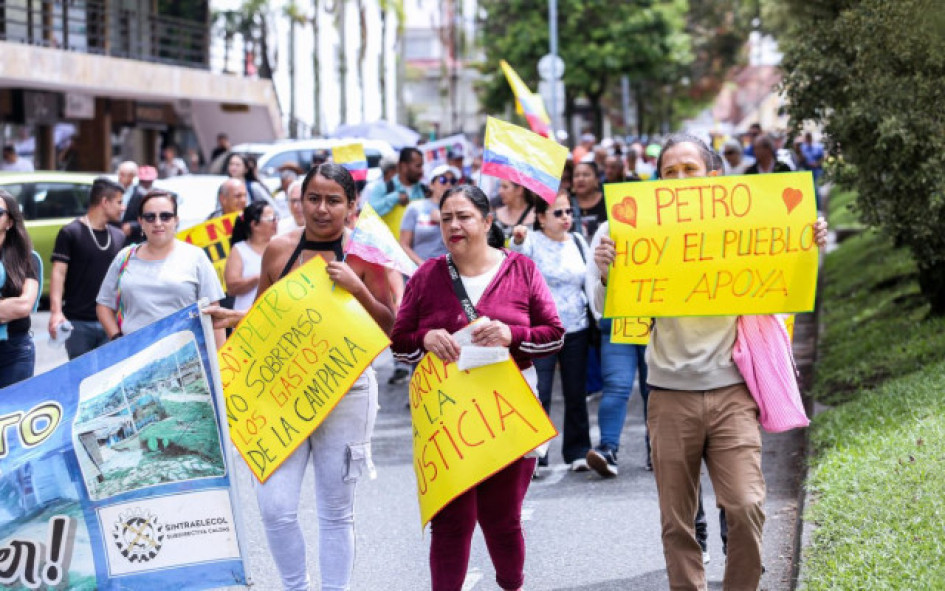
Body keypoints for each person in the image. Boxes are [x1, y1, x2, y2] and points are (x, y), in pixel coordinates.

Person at [592, 133, 828, 590]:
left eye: (689, 170)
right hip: (668, 396)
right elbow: (614, 313)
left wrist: (808, 244)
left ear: (713, 177)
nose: (679, 179)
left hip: (733, 392)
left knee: (745, 505)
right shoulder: (628, 232)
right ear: (657, 182)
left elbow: (786, 289)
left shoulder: (743, 229)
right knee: (676, 520)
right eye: (669, 172)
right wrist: (607, 273)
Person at [228, 162, 394, 591]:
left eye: (333, 200)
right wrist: (231, 323)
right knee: (275, 506)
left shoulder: (366, 254)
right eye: (313, 199)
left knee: (336, 510)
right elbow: (262, 321)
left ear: (351, 205)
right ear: (299, 201)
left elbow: (392, 328)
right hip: (281, 395)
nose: (322, 209)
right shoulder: (279, 249)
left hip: (348, 395)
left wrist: (359, 289)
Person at [390, 184, 564, 591]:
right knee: (451, 520)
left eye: (464, 216)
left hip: (509, 413)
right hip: (449, 418)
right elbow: (399, 342)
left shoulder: (521, 269)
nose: (454, 225)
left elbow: (554, 334)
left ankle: (511, 584)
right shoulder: (427, 275)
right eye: (446, 217)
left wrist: (512, 334)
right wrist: (425, 339)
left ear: (487, 222)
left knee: (501, 519)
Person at [510, 193, 592, 472]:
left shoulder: (579, 242)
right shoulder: (531, 242)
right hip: (540, 328)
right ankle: (538, 454)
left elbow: (590, 281)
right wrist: (518, 240)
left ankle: (578, 451)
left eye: (569, 211)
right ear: (541, 217)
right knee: (539, 391)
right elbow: (517, 261)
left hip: (577, 326)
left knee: (575, 392)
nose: (566, 217)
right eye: (558, 213)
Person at [96, 190, 226, 347]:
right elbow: (104, 305)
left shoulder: (196, 257)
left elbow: (214, 313)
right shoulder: (125, 257)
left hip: (187, 357)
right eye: (150, 217)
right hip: (135, 357)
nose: (158, 223)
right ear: (141, 222)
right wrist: (118, 340)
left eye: (165, 216)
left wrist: (220, 362)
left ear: (176, 220)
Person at [584, 219, 650, 478]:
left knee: (655, 388)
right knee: (617, 385)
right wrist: (599, 311)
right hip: (618, 320)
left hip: (655, 318)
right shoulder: (607, 227)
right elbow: (592, 273)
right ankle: (608, 449)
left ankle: (658, 450)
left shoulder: (668, 222)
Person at [48, 177, 126, 359]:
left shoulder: (119, 236)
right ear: (104, 202)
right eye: (119, 202)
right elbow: (58, 273)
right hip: (78, 322)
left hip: (110, 321)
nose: (123, 207)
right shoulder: (71, 232)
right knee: (80, 381)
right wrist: (56, 312)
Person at [0, 190, 40, 388]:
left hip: (15, 351)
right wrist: (7, 307)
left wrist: (14, 307)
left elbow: (24, 305)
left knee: (11, 416)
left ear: (10, 222)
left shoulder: (27, 258)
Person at [223, 201, 279, 312]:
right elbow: (232, 287)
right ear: (255, 225)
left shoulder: (280, 245)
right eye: (271, 219)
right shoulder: (239, 250)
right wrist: (262, 277)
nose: (276, 222)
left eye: (276, 218)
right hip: (247, 317)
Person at [399, 164, 456, 266]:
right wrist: (422, 265)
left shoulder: (459, 210)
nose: (448, 184)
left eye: (452, 181)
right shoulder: (415, 207)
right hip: (420, 272)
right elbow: (404, 244)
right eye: (443, 180)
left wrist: (444, 219)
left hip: (449, 272)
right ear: (431, 185)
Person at [366, 147, 425, 217]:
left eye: (422, 166)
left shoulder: (424, 190)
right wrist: (394, 198)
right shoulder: (382, 188)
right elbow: (369, 213)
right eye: (418, 166)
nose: (421, 171)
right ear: (404, 166)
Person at [121, 165, 157, 245]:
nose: (146, 184)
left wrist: (133, 226)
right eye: (143, 181)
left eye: (149, 182)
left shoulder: (157, 197)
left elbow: (153, 220)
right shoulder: (126, 192)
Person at [571, 161, 607, 240]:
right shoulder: (566, 203)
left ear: (596, 179)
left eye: (586, 175)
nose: (580, 179)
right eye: (576, 175)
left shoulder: (607, 203)